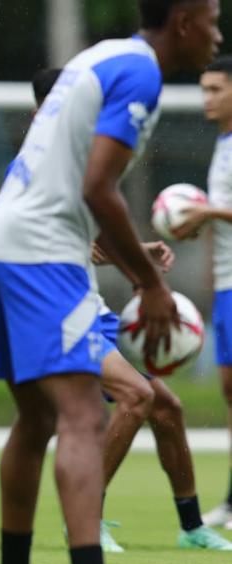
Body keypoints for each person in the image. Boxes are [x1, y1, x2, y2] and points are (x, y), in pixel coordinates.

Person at [0, 2, 220, 564]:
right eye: (213, 20)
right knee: (85, 416)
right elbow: (97, 187)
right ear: (184, 20)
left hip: (7, 240)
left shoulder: (105, 56)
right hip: (42, 253)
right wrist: (151, 285)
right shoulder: (140, 73)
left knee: (37, 420)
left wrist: (135, 261)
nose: (217, 35)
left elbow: (75, 186)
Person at [33, 68, 232, 554]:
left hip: (89, 308)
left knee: (168, 409)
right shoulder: (43, 166)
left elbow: (89, 245)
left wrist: (138, 254)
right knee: (136, 396)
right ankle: (85, 518)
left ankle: (192, 528)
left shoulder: (78, 159)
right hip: (60, 312)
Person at [174, 55, 232, 529]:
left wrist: (208, 213)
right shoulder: (222, 143)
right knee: (230, 392)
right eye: (204, 89)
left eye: (216, 89)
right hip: (227, 285)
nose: (206, 99)